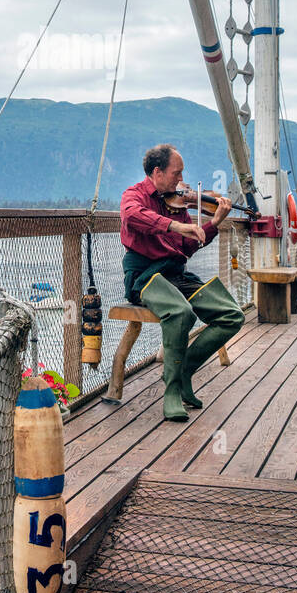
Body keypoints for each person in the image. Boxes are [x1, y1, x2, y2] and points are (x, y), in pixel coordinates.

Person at [120, 143, 244, 422]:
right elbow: (132, 216)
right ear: (157, 172)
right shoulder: (134, 195)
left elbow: (186, 248)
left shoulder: (177, 203)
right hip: (145, 276)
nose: (181, 181)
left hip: (175, 273)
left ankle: (185, 369)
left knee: (231, 316)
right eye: (176, 174)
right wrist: (175, 225)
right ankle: (172, 391)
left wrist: (213, 224)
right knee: (181, 313)